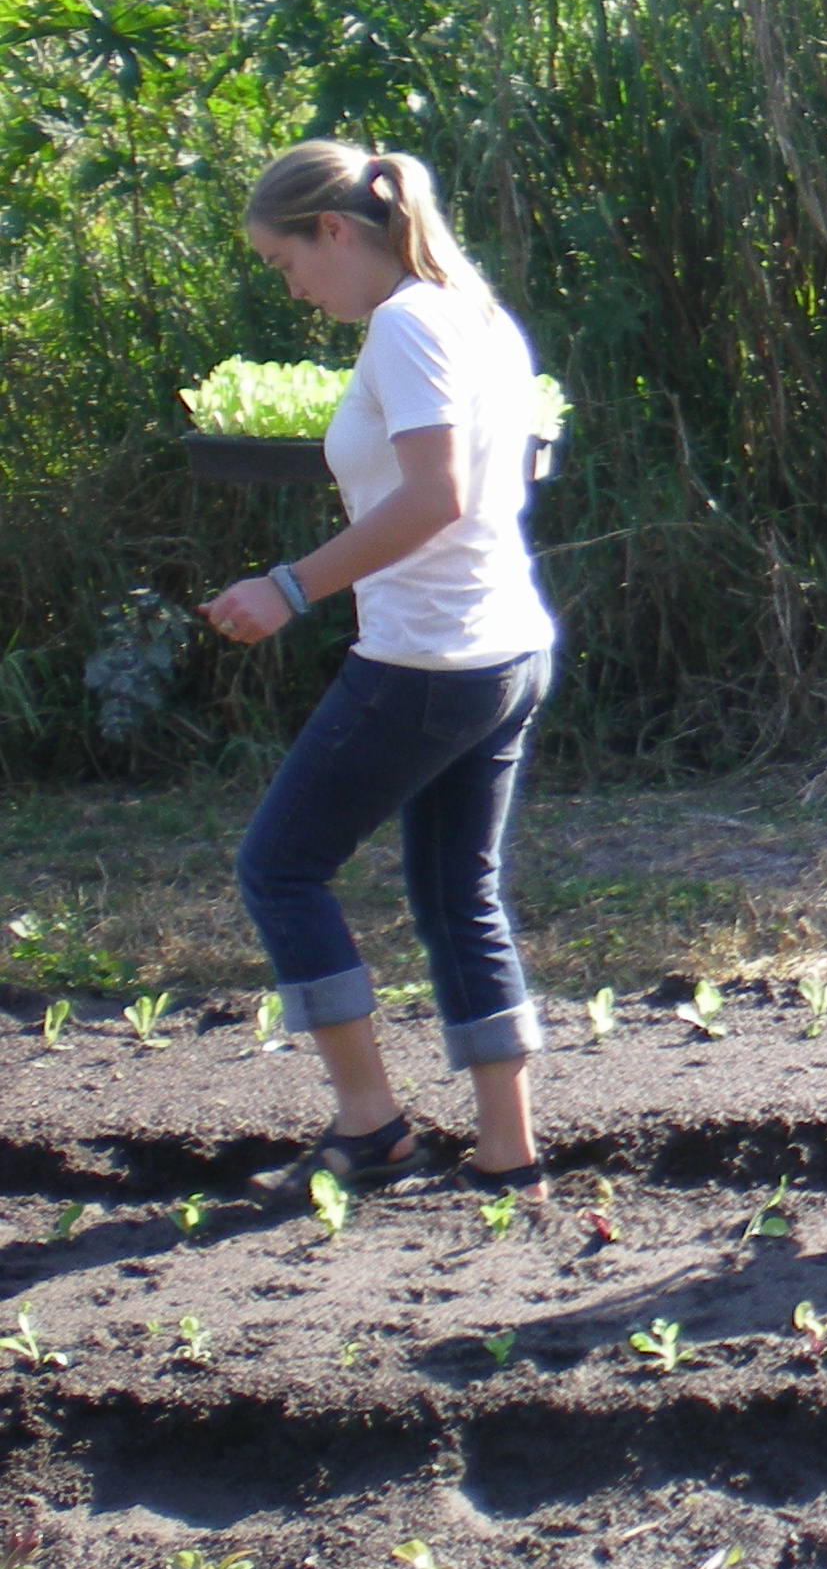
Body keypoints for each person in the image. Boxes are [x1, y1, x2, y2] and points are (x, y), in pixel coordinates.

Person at [198, 142, 560, 1200]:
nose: (293, 288)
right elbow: (510, 469)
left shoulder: (405, 324)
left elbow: (433, 496)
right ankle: (508, 1151)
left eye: (284, 263)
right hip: (505, 646)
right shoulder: (473, 312)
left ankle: (370, 1126)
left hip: (426, 658)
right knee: (460, 897)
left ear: (334, 230)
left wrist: (288, 586)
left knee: (281, 866)